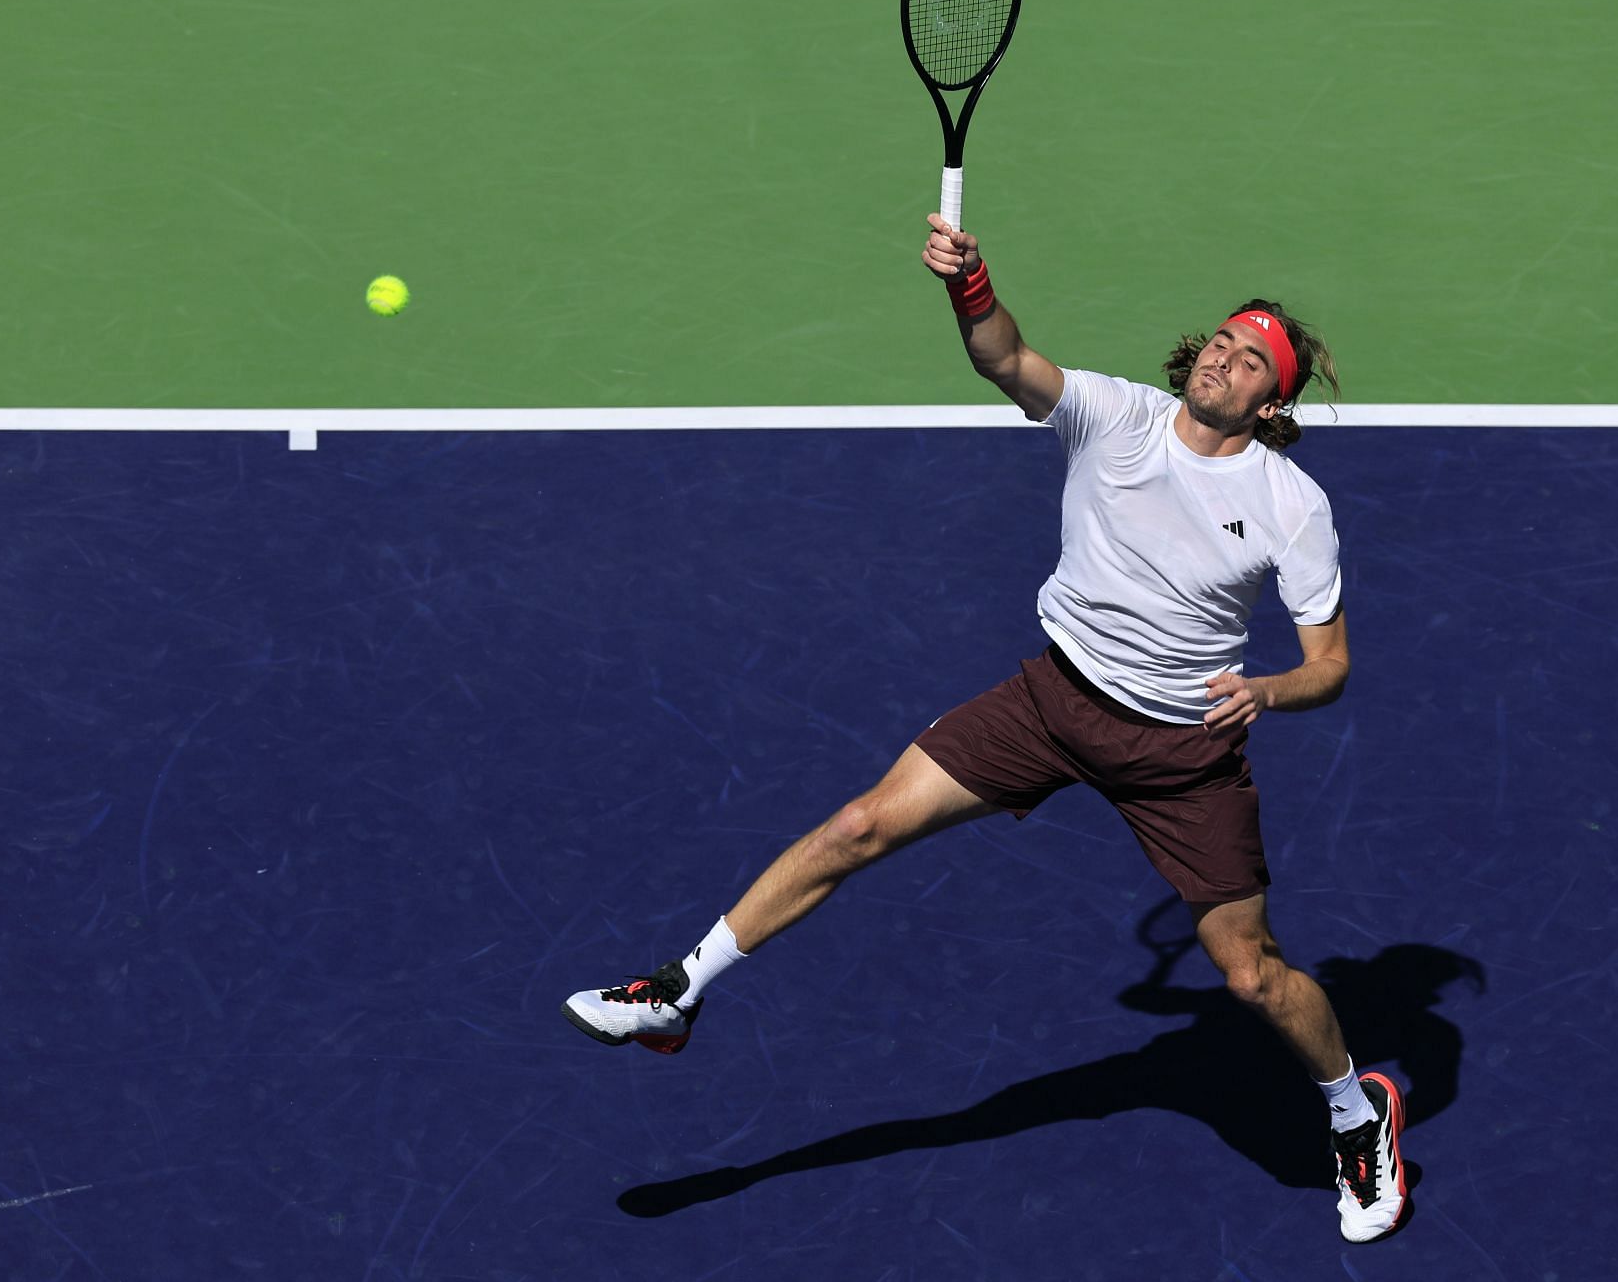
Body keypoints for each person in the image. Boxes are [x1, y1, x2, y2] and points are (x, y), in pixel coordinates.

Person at [562, 214, 1407, 1243]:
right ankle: (679, 990)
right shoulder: (1114, 413)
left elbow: (1333, 667)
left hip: (1181, 754)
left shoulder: (1291, 503)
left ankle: (1356, 1113)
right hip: (1048, 704)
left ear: (1270, 399)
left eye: (1249, 359)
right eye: (1222, 340)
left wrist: (1268, 691)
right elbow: (1003, 355)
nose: (1225, 359)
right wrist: (970, 285)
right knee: (862, 825)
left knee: (1249, 972)